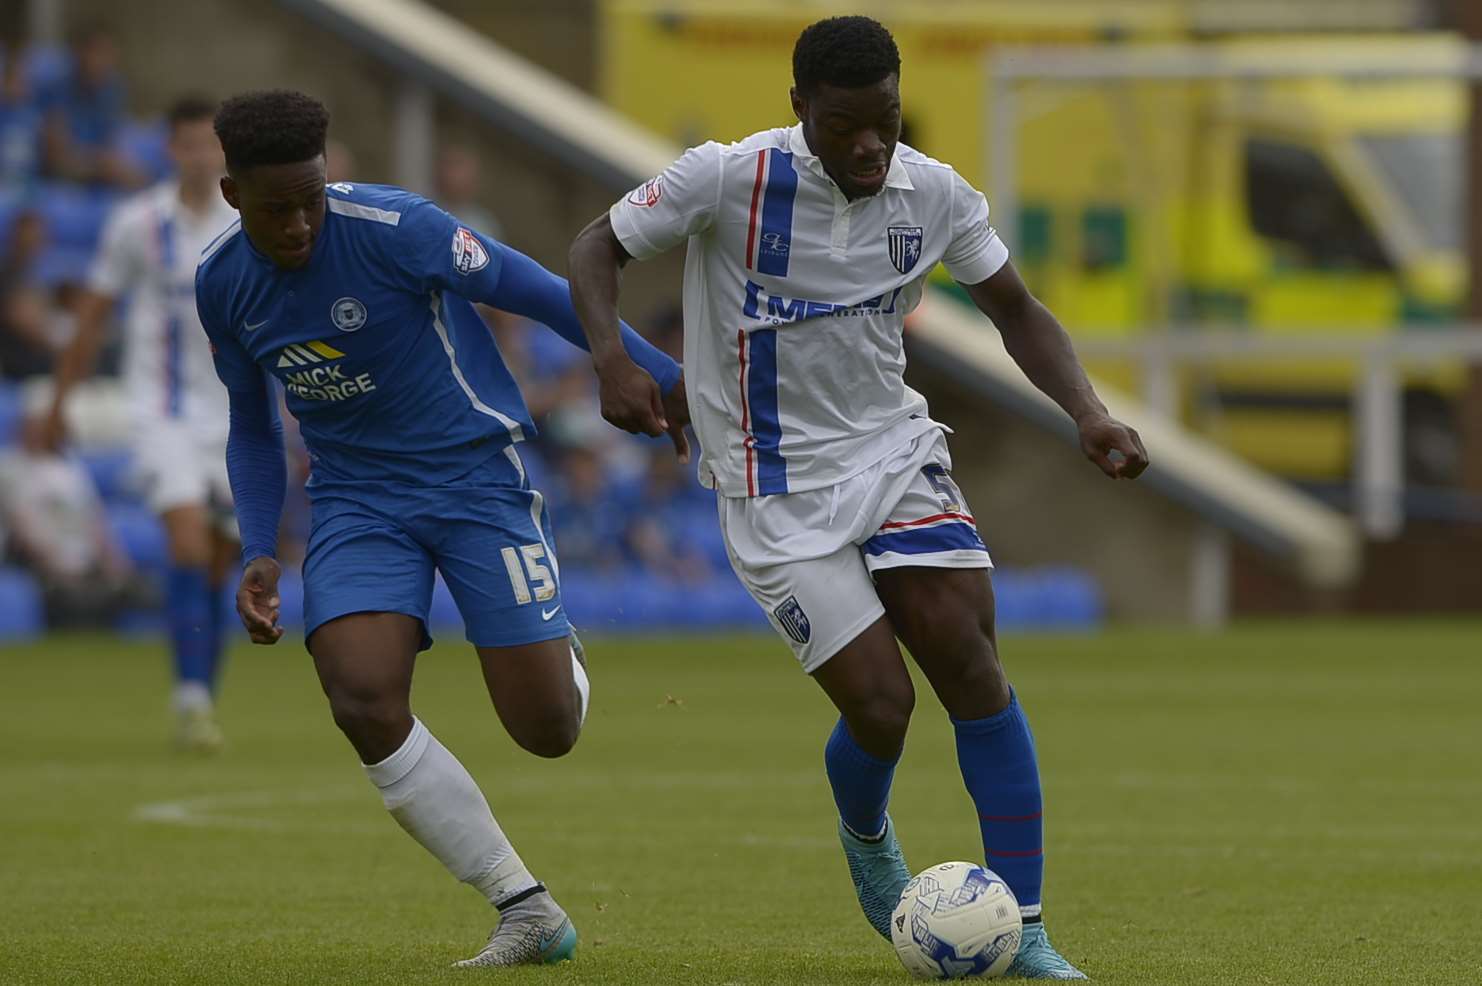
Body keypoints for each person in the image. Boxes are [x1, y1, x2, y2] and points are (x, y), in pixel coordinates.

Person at [568, 16, 1148, 980]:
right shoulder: (729, 176)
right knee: (882, 706)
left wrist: (1086, 412)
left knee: (967, 659)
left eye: (885, 119)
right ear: (800, 111)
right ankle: (869, 835)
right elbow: (596, 247)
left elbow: (1018, 310)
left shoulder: (935, 193)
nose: (872, 144)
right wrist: (611, 362)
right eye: (846, 127)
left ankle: (1030, 928)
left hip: (892, 454)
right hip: (769, 486)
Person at [194, 89, 684, 968]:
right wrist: (261, 544)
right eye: (277, 208)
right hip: (355, 500)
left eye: (312, 196)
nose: (302, 222)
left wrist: (648, 372)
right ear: (233, 197)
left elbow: (536, 290)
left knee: (547, 731)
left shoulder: (398, 228)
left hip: (472, 477)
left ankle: (553, 641)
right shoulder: (223, 283)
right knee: (359, 694)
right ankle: (523, 906)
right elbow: (252, 424)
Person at [44, 95, 239, 752]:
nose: (199, 156)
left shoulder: (245, 222)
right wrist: (57, 404)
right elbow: (94, 314)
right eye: (187, 144)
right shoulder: (137, 223)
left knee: (218, 563)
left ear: (222, 150)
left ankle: (202, 693)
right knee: (186, 544)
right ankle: (188, 698)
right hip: (160, 413)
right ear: (169, 149)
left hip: (237, 419)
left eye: (209, 145)